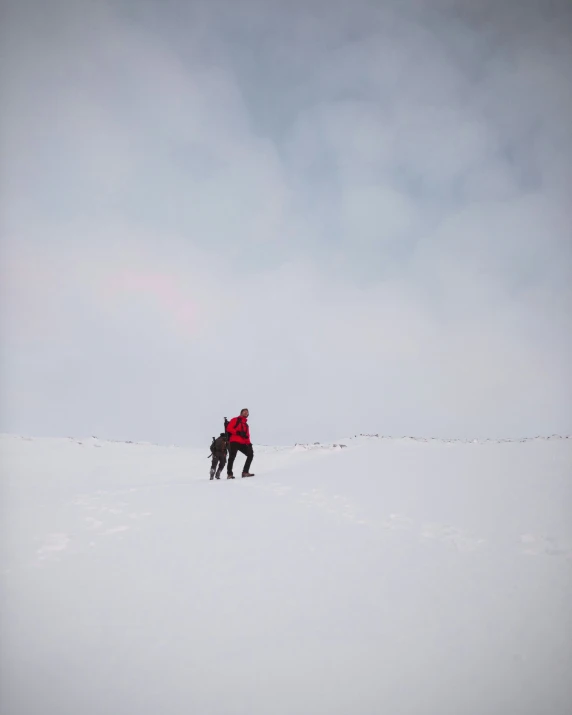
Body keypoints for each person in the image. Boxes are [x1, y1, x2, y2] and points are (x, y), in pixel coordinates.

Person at [226, 408, 254, 478]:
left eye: (247, 412)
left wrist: (249, 444)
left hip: (242, 443)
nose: (246, 413)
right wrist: (237, 432)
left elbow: (247, 436)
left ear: (248, 415)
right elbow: (229, 428)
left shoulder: (246, 425)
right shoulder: (235, 419)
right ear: (241, 413)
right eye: (244, 411)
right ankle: (229, 474)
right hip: (234, 441)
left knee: (250, 454)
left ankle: (245, 472)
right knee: (232, 457)